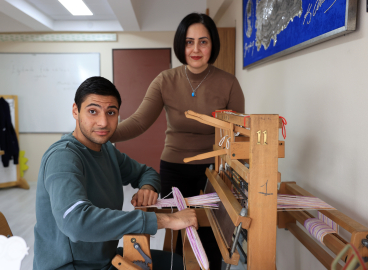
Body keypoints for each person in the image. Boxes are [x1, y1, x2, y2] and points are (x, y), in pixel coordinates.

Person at [110, 13, 245, 270]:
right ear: (181, 45)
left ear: (212, 45)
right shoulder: (165, 80)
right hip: (175, 168)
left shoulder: (229, 83)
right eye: (189, 42)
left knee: (212, 237)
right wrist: (103, 133)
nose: (195, 49)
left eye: (203, 42)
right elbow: (139, 121)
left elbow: (237, 133)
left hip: (214, 172)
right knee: (183, 235)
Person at [33, 76, 198, 270]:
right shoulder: (63, 157)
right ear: (75, 111)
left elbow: (147, 172)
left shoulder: (106, 150)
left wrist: (147, 187)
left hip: (104, 260)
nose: (103, 122)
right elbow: (76, 222)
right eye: (92, 111)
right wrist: (166, 220)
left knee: (178, 264)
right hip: (72, 266)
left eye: (111, 112)